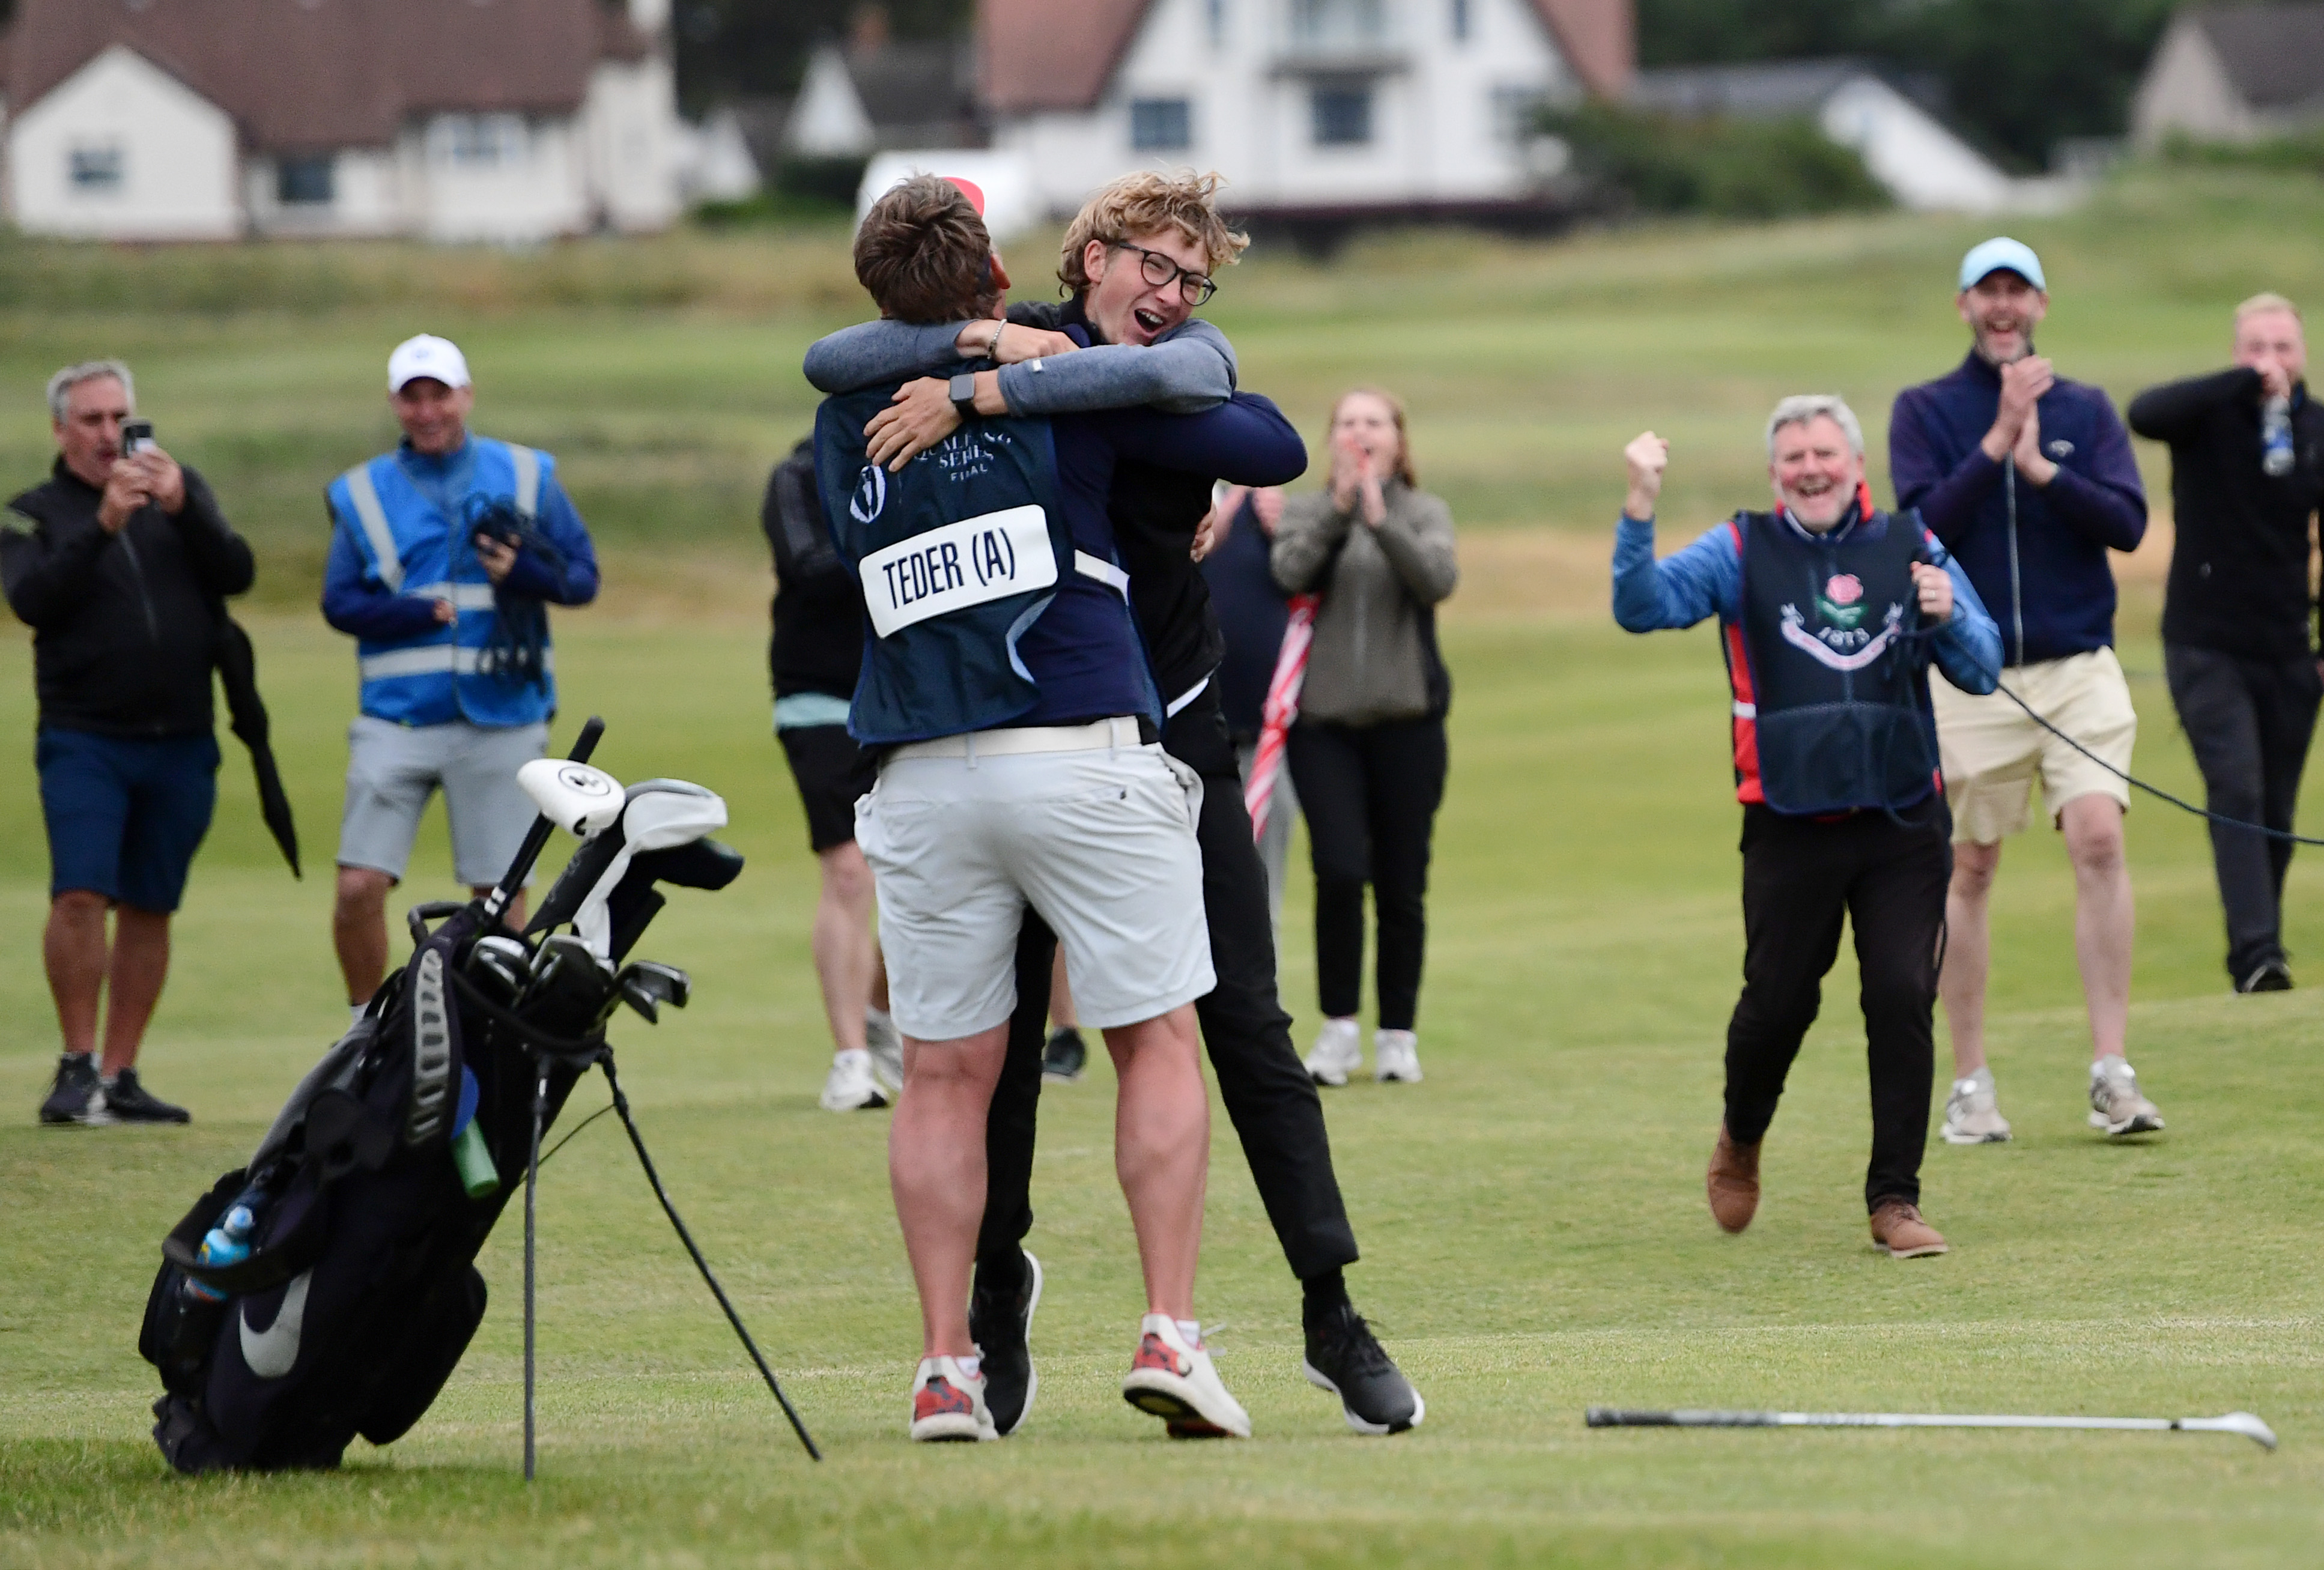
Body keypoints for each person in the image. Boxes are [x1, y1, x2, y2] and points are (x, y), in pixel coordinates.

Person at [806, 168, 1423, 1438]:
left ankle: (1328, 1308)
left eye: (1195, 279)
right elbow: (844, 349)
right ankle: (995, 1301)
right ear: (1086, 255)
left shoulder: (1097, 379)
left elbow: (1257, 437)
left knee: (1243, 1019)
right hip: (1051, 722)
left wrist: (990, 380)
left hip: (1158, 718)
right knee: (1007, 1053)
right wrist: (989, 352)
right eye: (1153, 262)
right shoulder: (1013, 348)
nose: (1174, 292)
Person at [1615, 397, 2001, 1258]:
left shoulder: (1913, 542)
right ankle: (1741, 1137)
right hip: (1788, 819)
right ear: (1774, 473)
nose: (1811, 467)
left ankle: (1894, 1200)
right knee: (1777, 1005)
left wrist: (1949, 615)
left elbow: (1984, 666)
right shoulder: (1740, 547)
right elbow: (1642, 607)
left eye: (1825, 452)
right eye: (1793, 457)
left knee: (1900, 994)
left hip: (1901, 818)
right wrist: (1639, 505)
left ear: (1856, 463)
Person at [1889, 238, 2163, 1145]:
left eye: (2017, 291)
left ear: (2041, 302)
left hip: (2077, 663)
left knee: (2096, 838)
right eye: (1986, 293)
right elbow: (1918, 527)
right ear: (1963, 306)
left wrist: (2043, 465)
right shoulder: (1926, 410)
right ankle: (1969, 1082)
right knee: (1969, 868)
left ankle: (2111, 1070)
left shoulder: (2082, 408)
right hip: (1967, 672)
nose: (2002, 307)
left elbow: (2126, 523)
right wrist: (1998, 441)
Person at [6, 360, 255, 1126]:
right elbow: (33, 599)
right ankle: (77, 1066)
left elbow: (235, 571)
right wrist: (105, 522)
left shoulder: (178, 496)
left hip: (181, 736)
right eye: (91, 420)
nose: (109, 434)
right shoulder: (35, 514)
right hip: (87, 736)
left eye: (119, 417)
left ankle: (121, 1074)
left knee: (150, 904)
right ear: (60, 429)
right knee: (82, 893)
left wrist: (183, 508)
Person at [323, 335, 600, 1021]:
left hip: (502, 716)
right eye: (412, 396)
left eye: (438, 394)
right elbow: (338, 602)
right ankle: (364, 1022)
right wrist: (407, 613)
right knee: (358, 884)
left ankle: (490, 1029)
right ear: (394, 403)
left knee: (499, 898)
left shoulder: (527, 473)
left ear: (465, 396)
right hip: (398, 717)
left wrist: (524, 574)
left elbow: (582, 579)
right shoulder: (362, 492)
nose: (427, 410)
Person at [2127, 293, 2324, 993]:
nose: (2269, 361)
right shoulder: (2206, 416)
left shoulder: (2313, 430)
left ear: (2302, 355)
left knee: (2273, 808)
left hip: (2287, 648)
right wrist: (2239, 383)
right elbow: (2144, 412)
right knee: (2233, 787)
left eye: (2281, 348)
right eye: (2255, 347)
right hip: (2203, 642)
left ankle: (2257, 945)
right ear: (2235, 352)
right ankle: (2257, 955)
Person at [1273, 389, 1457, 1088]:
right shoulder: (1308, 510)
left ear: (1397, 442)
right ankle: (1339, 1028)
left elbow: (1437, 579)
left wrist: (1382, 520)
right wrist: (1342, 512)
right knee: (1341, 870)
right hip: (1323, 729)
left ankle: (1396, 1036)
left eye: (1372, 423)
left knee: (1402, 883)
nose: (1358, 433)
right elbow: (1287, 571)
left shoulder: (1423, 512)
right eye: (1346, 423)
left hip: (1408, 727)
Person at [758, 440, 906, 1111]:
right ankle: (850, 1061)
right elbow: (812, 565)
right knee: (849, 871)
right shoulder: (797, 475)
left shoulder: (923, 454)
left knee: (918, 874)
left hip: (902, 694)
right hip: (818, 695)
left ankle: (878, 1016)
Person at [1203, 483, 1300, 926]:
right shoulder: (1171, 503)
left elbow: (1309, 588)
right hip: (1190, 739)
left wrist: (1284, 533)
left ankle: (1262, 995)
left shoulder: (1267, 509)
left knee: (1260, 889)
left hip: (1266, 737)